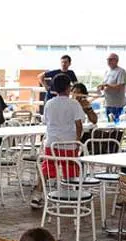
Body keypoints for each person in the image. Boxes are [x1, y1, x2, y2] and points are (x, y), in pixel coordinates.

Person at [30, 74, 84, 208]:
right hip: (69, 143)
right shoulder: (74, 103)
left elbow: (46, 121)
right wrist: (77, 141)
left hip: (52, 142)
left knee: (47, 170)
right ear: (68, 87)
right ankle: (70, 195)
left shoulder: (49, 103)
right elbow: (79, 124)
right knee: (71, 170)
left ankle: (37, 196)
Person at [98, 53, 126, 121]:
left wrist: (107, 85)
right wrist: (102, 87)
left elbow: (120, 86)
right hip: (108, 102)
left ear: (116, 61)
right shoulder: (107, 71)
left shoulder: (121, 71)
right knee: (109, 123)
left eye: (111, 59)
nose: (109, 61)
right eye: (108, 60)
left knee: (115, 124)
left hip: (116, 104)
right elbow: (105, 84)